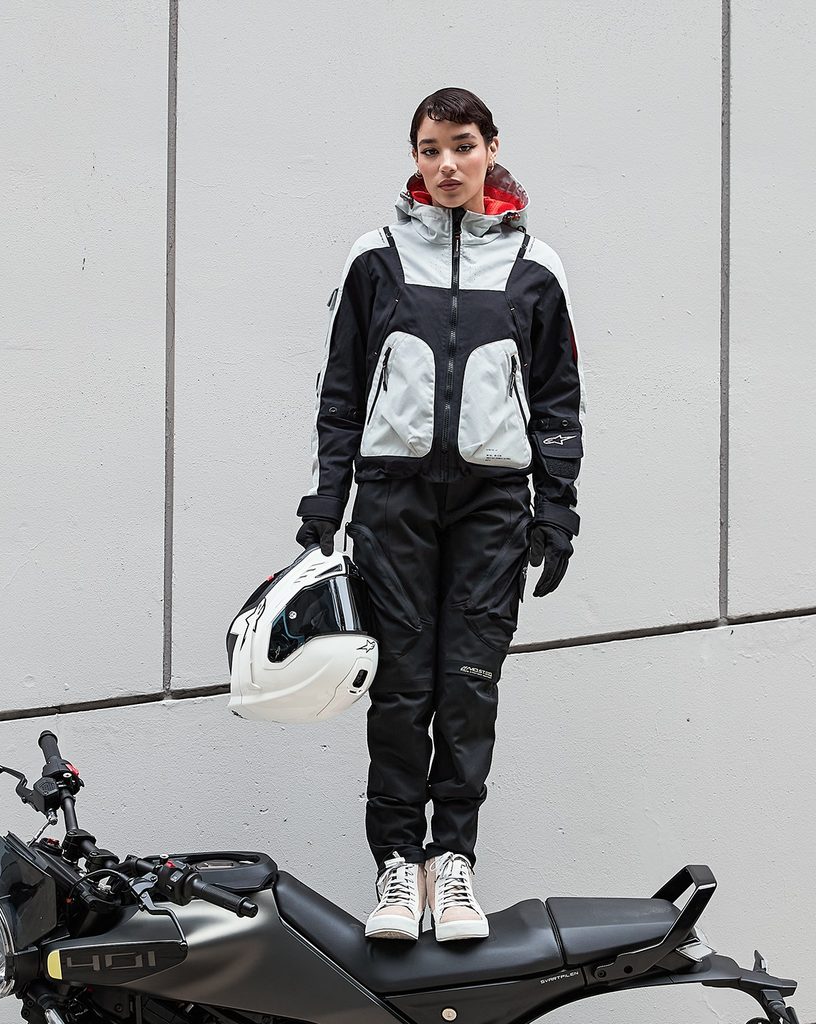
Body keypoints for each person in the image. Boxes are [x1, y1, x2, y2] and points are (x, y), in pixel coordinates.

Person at [295, 88, 584, 942]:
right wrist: (327, 499)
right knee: (400, 689)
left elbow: (558, 399)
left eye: (462, 145)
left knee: (468, 687)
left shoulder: (535, 266)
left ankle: (452, 864)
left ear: (491, 146)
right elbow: (341, 390)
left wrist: (557, 509)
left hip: (493, 506)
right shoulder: (377, 258)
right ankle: (397, 865)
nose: (447, 164)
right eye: (430, 149)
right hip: (394, 501)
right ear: (415, 158)